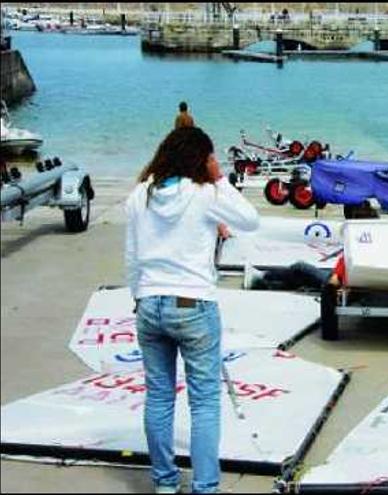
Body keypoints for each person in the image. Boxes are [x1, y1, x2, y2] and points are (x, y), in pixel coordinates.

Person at [125, 127, 259, 494]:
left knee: (159, 396)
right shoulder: (204, 194)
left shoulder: (140, 194)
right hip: (193, 304)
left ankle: (166, 483)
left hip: (149, 303)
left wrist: (139, 296)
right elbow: (250, 219)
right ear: (200, 159)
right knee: (203, 403)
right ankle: (204, 487)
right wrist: (221, 180)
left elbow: (132, 257)